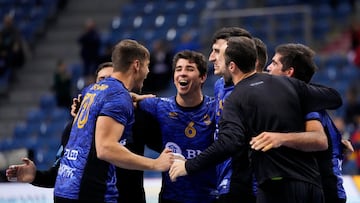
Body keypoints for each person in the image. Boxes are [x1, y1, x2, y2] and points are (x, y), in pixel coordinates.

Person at [169, 36, 343, 203]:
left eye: (219, 57)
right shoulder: (288, 84)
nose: (213, 59)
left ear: (232, 66)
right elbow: (334, 98)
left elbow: (229, 142)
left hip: (276, 185)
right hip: (312, 185)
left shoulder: (236, 98)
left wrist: (188, 166)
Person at [53, 39, 173, 202]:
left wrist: (132, 97)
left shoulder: (92, 89)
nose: (147, 72)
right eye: (147, 65)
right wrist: (155, 164)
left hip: (66, 187)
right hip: (91, 192)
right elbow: (106, 149)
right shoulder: (118, 97)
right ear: (137, 65)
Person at [5, 62, 115, 187]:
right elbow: (59, 174)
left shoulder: (133, 122)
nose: (106, 84)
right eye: (102, 79)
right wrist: (35, 177)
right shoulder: (73, 128)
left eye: (111, 79)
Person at [265, 43, 350, 203]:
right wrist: (337, 144)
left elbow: (319, 141)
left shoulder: (307, 104)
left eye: (275, 63)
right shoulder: (309, 100)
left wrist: (279, 138)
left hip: (326, 192)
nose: (268, 68)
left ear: (289, 72)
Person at [137, 50, 217, 203]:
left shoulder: (215, 109)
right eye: (179, 69)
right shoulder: (159, 106)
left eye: (190, 69)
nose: (183, 73)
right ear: (174, 78)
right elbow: (120, 101)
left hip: (209, 197)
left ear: (203, 77)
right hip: (171, 198)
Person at [209, 27, 268, 203]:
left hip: (249, 183)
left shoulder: (260, 89)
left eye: (217, 51)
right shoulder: (219, 86)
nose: (211, 57)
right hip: (223, 178)